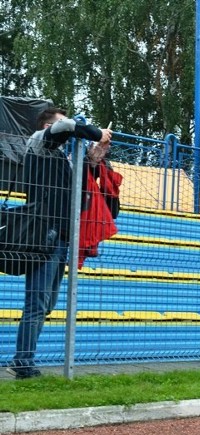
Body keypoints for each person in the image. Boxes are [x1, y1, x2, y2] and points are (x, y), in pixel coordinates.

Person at [9, 108, 112, 379]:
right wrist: (95, 131)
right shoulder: (39, 142)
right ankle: (22, 362)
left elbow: (76, 190)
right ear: (46, 125)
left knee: (47, 303)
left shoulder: (58, 155)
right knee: (37, 302)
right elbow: (67, 126)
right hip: (45, 235)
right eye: (57, 122)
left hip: (62, 236)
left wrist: (93, 158)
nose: (65, 128)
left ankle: (24, 360)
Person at [79, 139, 122, 267]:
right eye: (99, 147)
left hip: (88, 213)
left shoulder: (104, 168)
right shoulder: (76, 161)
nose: (102, 151)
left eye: (105, 148)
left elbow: (113, 207)